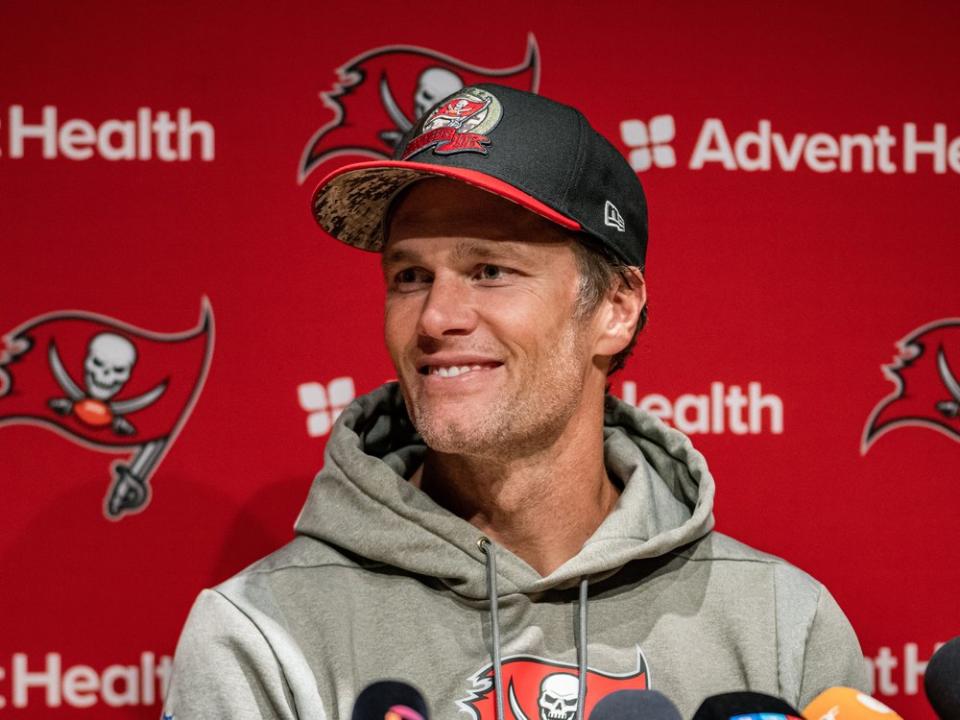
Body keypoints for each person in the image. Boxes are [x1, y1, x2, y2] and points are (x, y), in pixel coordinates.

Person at [163, 84, 868, 720]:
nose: (436, 318)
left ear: (616, 308)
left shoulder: (783, 623)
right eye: (410, 275)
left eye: (489, 270)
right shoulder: (261, 629)